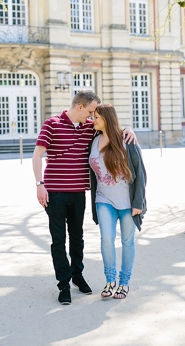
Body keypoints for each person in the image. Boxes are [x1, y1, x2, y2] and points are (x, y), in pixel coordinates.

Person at [32, 90, 136, 305]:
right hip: (55, 193)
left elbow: (111, 129)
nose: (92, 116)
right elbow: (37, 154)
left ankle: (77, 276)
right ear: (81, 107)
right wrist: (39, 184)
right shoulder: (52, 124)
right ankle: (63, 284)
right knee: (58, 240)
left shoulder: (90, 128)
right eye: (90, 111)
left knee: (77, 237)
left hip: (79, 193)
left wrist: (129, 130)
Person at [88, 104, 147, 300]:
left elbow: (141, 174)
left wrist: (138, 202)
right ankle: (110, 280)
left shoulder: (127, 140)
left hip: (128, 202)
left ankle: (124, 283)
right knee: (106, 239)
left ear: (107, 119)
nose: (93, 120)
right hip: (103, 198)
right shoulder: (93, 140)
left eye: (96, 117)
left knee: (128, 241)